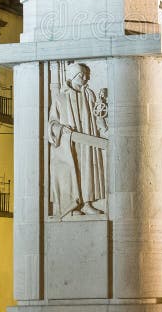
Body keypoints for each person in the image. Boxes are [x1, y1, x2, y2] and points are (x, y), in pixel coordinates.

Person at [48, 62, 107, 217]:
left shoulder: (89, 95)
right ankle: (72, 207)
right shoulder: (60, 98)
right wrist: (61, 129)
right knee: (72, 172)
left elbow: (97, 114)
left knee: (88, 170)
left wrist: (102, 113)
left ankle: (87, 203)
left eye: (86, 76)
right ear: (73, 76)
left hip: (87, 141)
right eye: (82, 75)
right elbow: (52, 123)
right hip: (70, 143)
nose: (86, 79)